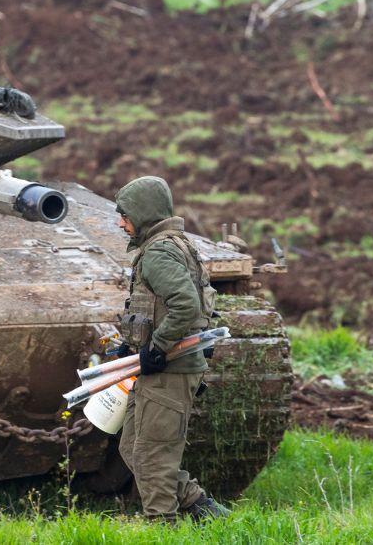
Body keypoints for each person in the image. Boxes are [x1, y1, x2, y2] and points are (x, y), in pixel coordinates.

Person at [113, 175, 230, 522]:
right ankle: (201, 508)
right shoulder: (173, 244)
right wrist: (132, 346)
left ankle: (161, 526)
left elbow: (185, 305)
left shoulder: (158, 253)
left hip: (170, 370)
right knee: (132, 446)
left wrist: (158, 349)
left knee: (153, 456)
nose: (121, 222)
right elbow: (159, 307)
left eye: (125, 214)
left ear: (143, 213)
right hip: (161, 368)